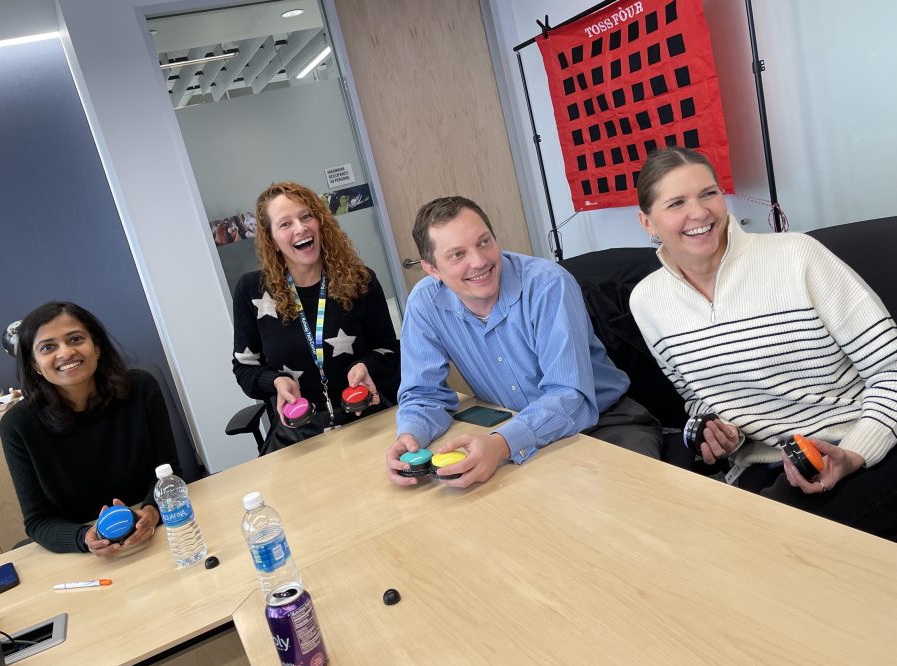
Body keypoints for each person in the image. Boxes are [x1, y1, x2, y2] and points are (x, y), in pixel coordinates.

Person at [630, 147, 897, 538]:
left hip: (859, 446)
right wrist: (720, 432)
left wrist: (856, 453)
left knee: (762, 547)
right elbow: (696, 396)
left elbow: (891, 370)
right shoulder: (647, 301)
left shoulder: (796, 257)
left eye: (709, 193)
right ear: (647, 222)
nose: (700, 212)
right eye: (676, 203)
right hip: (761, 466)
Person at [386, 196, 662, 488]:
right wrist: (411, 437)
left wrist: (502, 444)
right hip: (513, 429)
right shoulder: (425, 302)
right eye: (457, 254)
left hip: (602, 424)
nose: (479, 261)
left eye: (484, 242)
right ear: (432, 269)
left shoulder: (548, 285)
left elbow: (570, 396)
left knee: (627, 506)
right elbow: (424, 394)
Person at [0, 301, 180, 555]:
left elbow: (169, 471)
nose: (65, 353)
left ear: (96, 346)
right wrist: (85, 537)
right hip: (86, 554)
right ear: (34, 365)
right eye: (48, 347)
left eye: (75, 339)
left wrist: (151, 512)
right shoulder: (17, 426)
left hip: (159, 533)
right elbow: (38, 520)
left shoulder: (141, 389)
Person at [232, 181, 400, 451]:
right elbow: (245, 367)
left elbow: (390, 350)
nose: (300, 228)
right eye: (285, 224)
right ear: (271, 239)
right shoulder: (251, 291)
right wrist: (275, 381)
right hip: (300, 436)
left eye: (306, 216)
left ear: (320, 223)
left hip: (366, 420)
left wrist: (367, 367)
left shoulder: (361, 280)